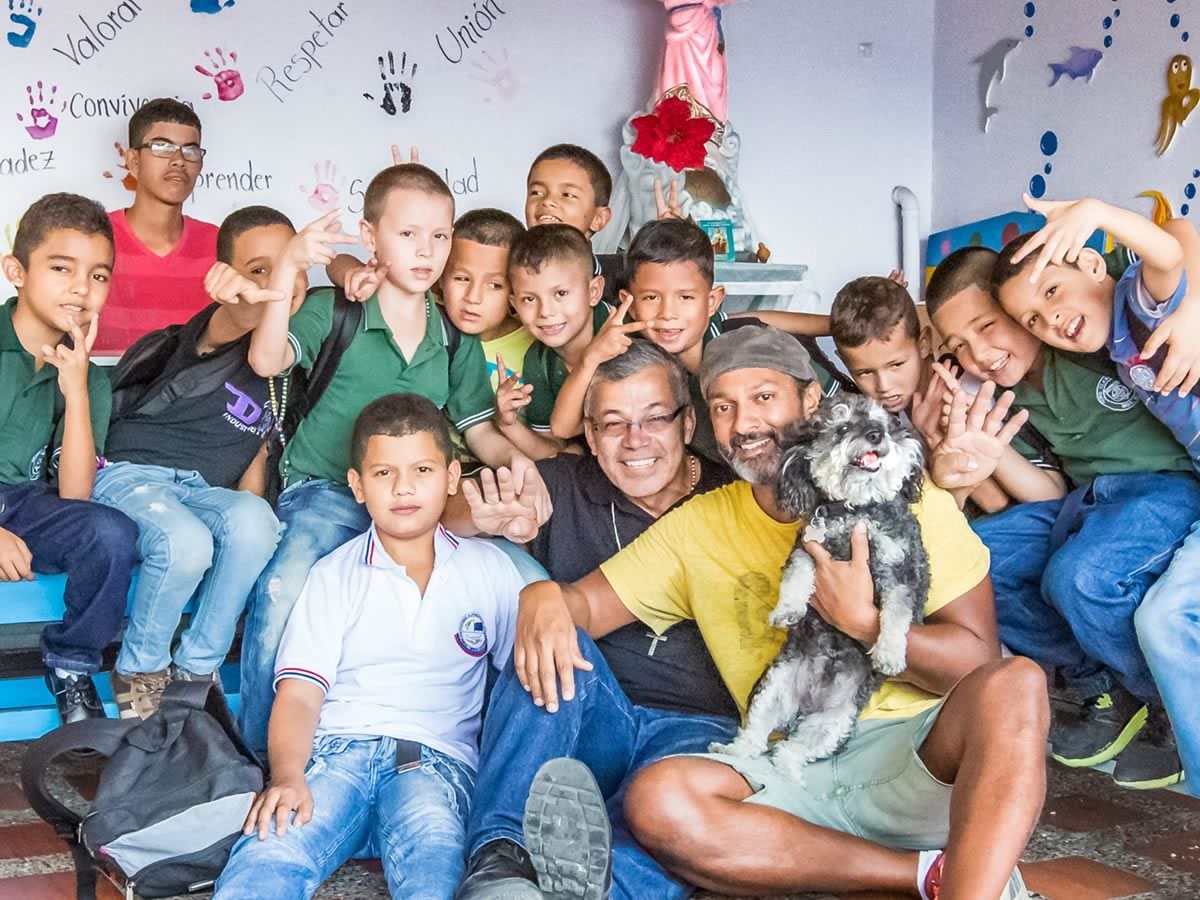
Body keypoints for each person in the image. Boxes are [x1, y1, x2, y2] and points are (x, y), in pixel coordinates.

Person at [463, 325, 1042, 899]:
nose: (744, 424)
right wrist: (541, 595)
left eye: (764, 398)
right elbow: (585, 604)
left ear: (811, 400)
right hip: (787, 772)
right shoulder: (702, 522)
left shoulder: (908, 497)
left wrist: (865, 624)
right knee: (658, 800)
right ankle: (922, 877)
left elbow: (976, 663)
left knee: (1018, 683)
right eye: (724, 407)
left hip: (912, 758)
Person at [238, 166, 524, 752]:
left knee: (528, 590)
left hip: (421, 501)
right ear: (370, 237)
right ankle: (259, 761)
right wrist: (291, 265)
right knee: (282, 592)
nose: (426, 252)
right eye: (408, 235)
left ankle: (492, 761)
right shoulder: (332, 310)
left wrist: (526, 471)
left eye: (440, 236)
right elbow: (267, 361)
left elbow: (480, 430)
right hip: (327, 492)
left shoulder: (452, 337)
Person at [215, 394, 524, 900]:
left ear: (452, 477)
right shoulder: (334, 575)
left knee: (435, 864)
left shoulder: (488, 569)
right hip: (337, 756)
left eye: (422, 469)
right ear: (358, 486)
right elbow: (298, 694)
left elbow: (523, 682)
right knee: (270, 853)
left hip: (438, 764)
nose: (403, 488)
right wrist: (288, 776)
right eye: (383, 474)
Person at [927, 246, 1200, 790]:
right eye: (960, 345)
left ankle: (1163, 707)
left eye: (988, 327)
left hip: (1165, 489)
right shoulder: (995, 387)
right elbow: (1043, 488)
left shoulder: (1094, 329)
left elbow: (1169, 252)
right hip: (1086, 502)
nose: (980, 353)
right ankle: (1104, 680)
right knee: (970, 563)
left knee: (1080, 577)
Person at [92, 206, 305, 719]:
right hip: (132, 475)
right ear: (232, 278)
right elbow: (238, 315)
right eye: (260, 270)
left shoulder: (297, 352)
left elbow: (256, 458)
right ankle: (140, 669)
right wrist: (244, 301)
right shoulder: (220, 327)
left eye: (288, 268)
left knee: (257, 523)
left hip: (201, 492)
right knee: (187, 543)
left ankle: (194, 671)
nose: (277, 284)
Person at [546, 217, 852, 461]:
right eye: (652, 297)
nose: (668, 313)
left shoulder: (753, 348)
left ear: (712, 301)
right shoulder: (634, 356)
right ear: (629, 301)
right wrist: (590, 360)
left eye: (686, 297)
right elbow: (564, 428)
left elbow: (839, 411)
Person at [0, 193, 138, 724]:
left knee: (111, 532)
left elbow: (76, 497)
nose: (82, 288)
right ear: (17, 270)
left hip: (29, 507)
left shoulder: (88, 376)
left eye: (99, 276)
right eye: (62, 268)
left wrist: (76, 388)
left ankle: (70, 667)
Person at [829, 274, 1066, 512]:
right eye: (864, 373)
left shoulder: (967, 390)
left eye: (896, 365)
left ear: (923, 343)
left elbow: (996, 503)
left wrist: (933, 436)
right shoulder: (888, 417)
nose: (884, 385)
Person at [99, 99, 218, 354]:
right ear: (133, 161)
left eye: (190, 150)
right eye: (162, 147)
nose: (178, 160)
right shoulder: (93, 238)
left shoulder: (220, 245)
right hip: (102, 389)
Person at [499, 223, 611, 457]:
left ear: (593, 291)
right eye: (529, 299)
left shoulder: (621, 332)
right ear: (514, 304)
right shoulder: (538, 361)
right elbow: (554, 449)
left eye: (560, 294)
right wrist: (508, 424)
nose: (546, 312)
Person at [524, 142, 624, 306]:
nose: (548, 201)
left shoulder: (612, 293)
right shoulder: (506, 277)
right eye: (536, 192)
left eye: (567, 194)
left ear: (598, 218)